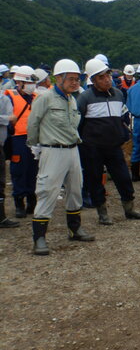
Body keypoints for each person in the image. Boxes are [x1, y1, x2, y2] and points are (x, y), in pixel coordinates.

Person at [27, 59, 95, 256]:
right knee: (47, 190)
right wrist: (35, 145)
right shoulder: (45, 99)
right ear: (58, 78)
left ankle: (75, 229)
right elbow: (33, 123)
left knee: (75, 189)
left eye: (77, 79)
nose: (75, 83)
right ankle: (39, 238)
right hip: (53, 150)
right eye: (71, 79)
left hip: (72, 150)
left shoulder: (71, 99)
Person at [77, 58, 140, 225]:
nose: (107, 79)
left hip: (114, 146)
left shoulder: (118, 94)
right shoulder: (85, 98)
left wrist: (124, 133)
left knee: (123, 178)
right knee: (95, 180)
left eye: (108, 75)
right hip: (92, 148)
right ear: (93, 80)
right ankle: (102, 213)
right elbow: (77, 123)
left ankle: (129, 209)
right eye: (101, 77)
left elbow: (122, 116)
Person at [5, 65, 39, 218]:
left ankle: (32, 198)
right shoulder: (9, 97)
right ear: (20, 83)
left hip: (34, 138)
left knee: (33, 169)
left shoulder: (37, 97)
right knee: (18, 170)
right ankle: (19, 201)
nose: (32, 85)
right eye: (29, 82)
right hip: (17, 138)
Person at [0, 87, 19, 227]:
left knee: (1, 183)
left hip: (1, 144)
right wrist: (7, 118)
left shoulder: (4, 98)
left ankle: (1, 216)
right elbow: (11, 117)